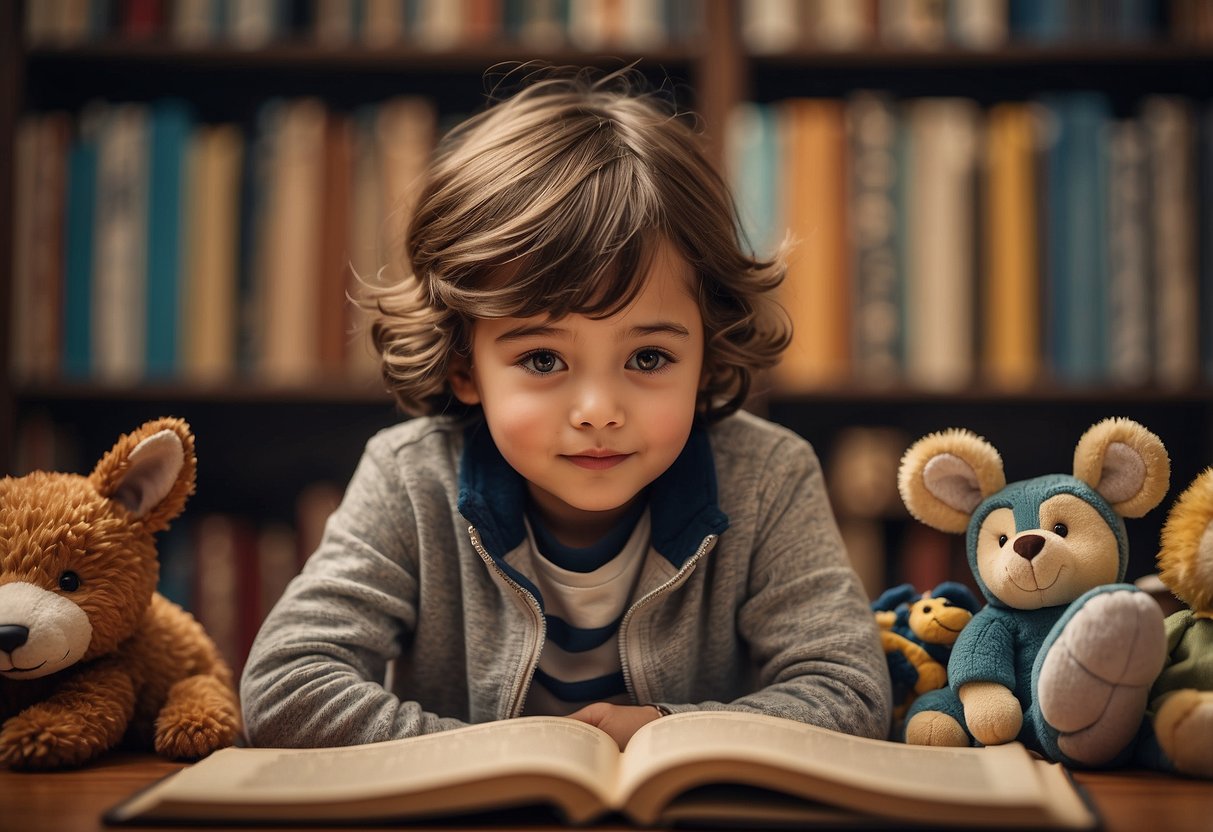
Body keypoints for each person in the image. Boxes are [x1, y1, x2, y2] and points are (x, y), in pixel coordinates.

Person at [240, 66, 891, 751]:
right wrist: (493, 755)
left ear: (706, 351)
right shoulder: (411, 477)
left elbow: (847, 689)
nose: (597, 410)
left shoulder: (766, 476)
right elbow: (286, 686)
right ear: (466, 365)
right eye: (543, 360)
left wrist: (668, 731)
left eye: (647, 359)